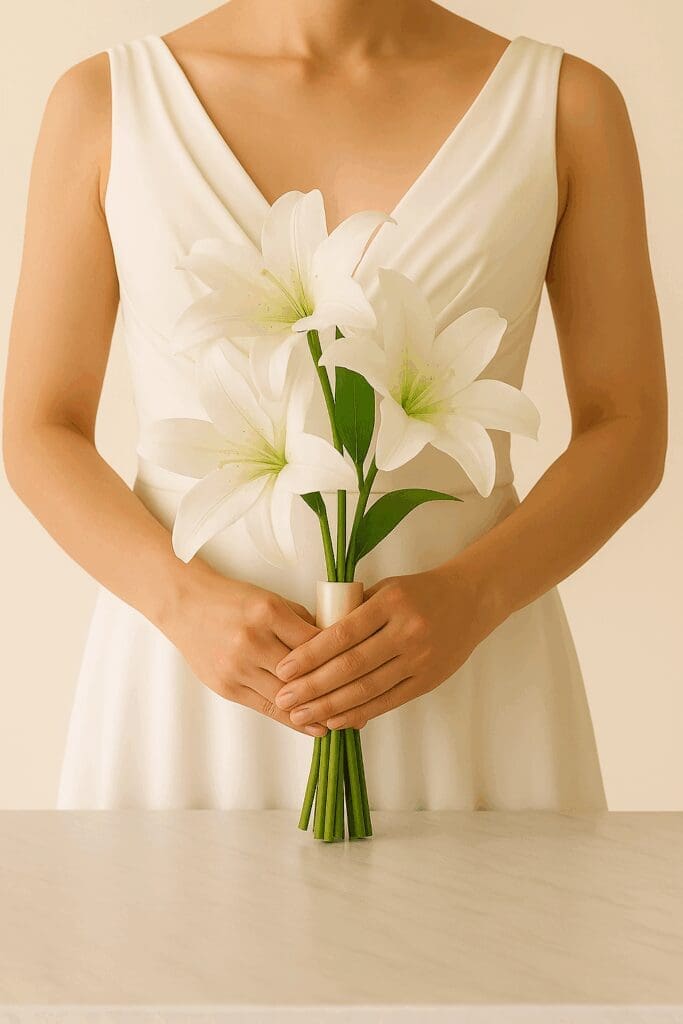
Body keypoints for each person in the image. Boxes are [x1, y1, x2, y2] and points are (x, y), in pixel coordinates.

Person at [3, 1, 667, 810]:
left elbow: (625, 423)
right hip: (186, 686)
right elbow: (39, 427)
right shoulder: (104, 104)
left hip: (467, 678)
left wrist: (474, 596)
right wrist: (180, 604)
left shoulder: (565, 106)